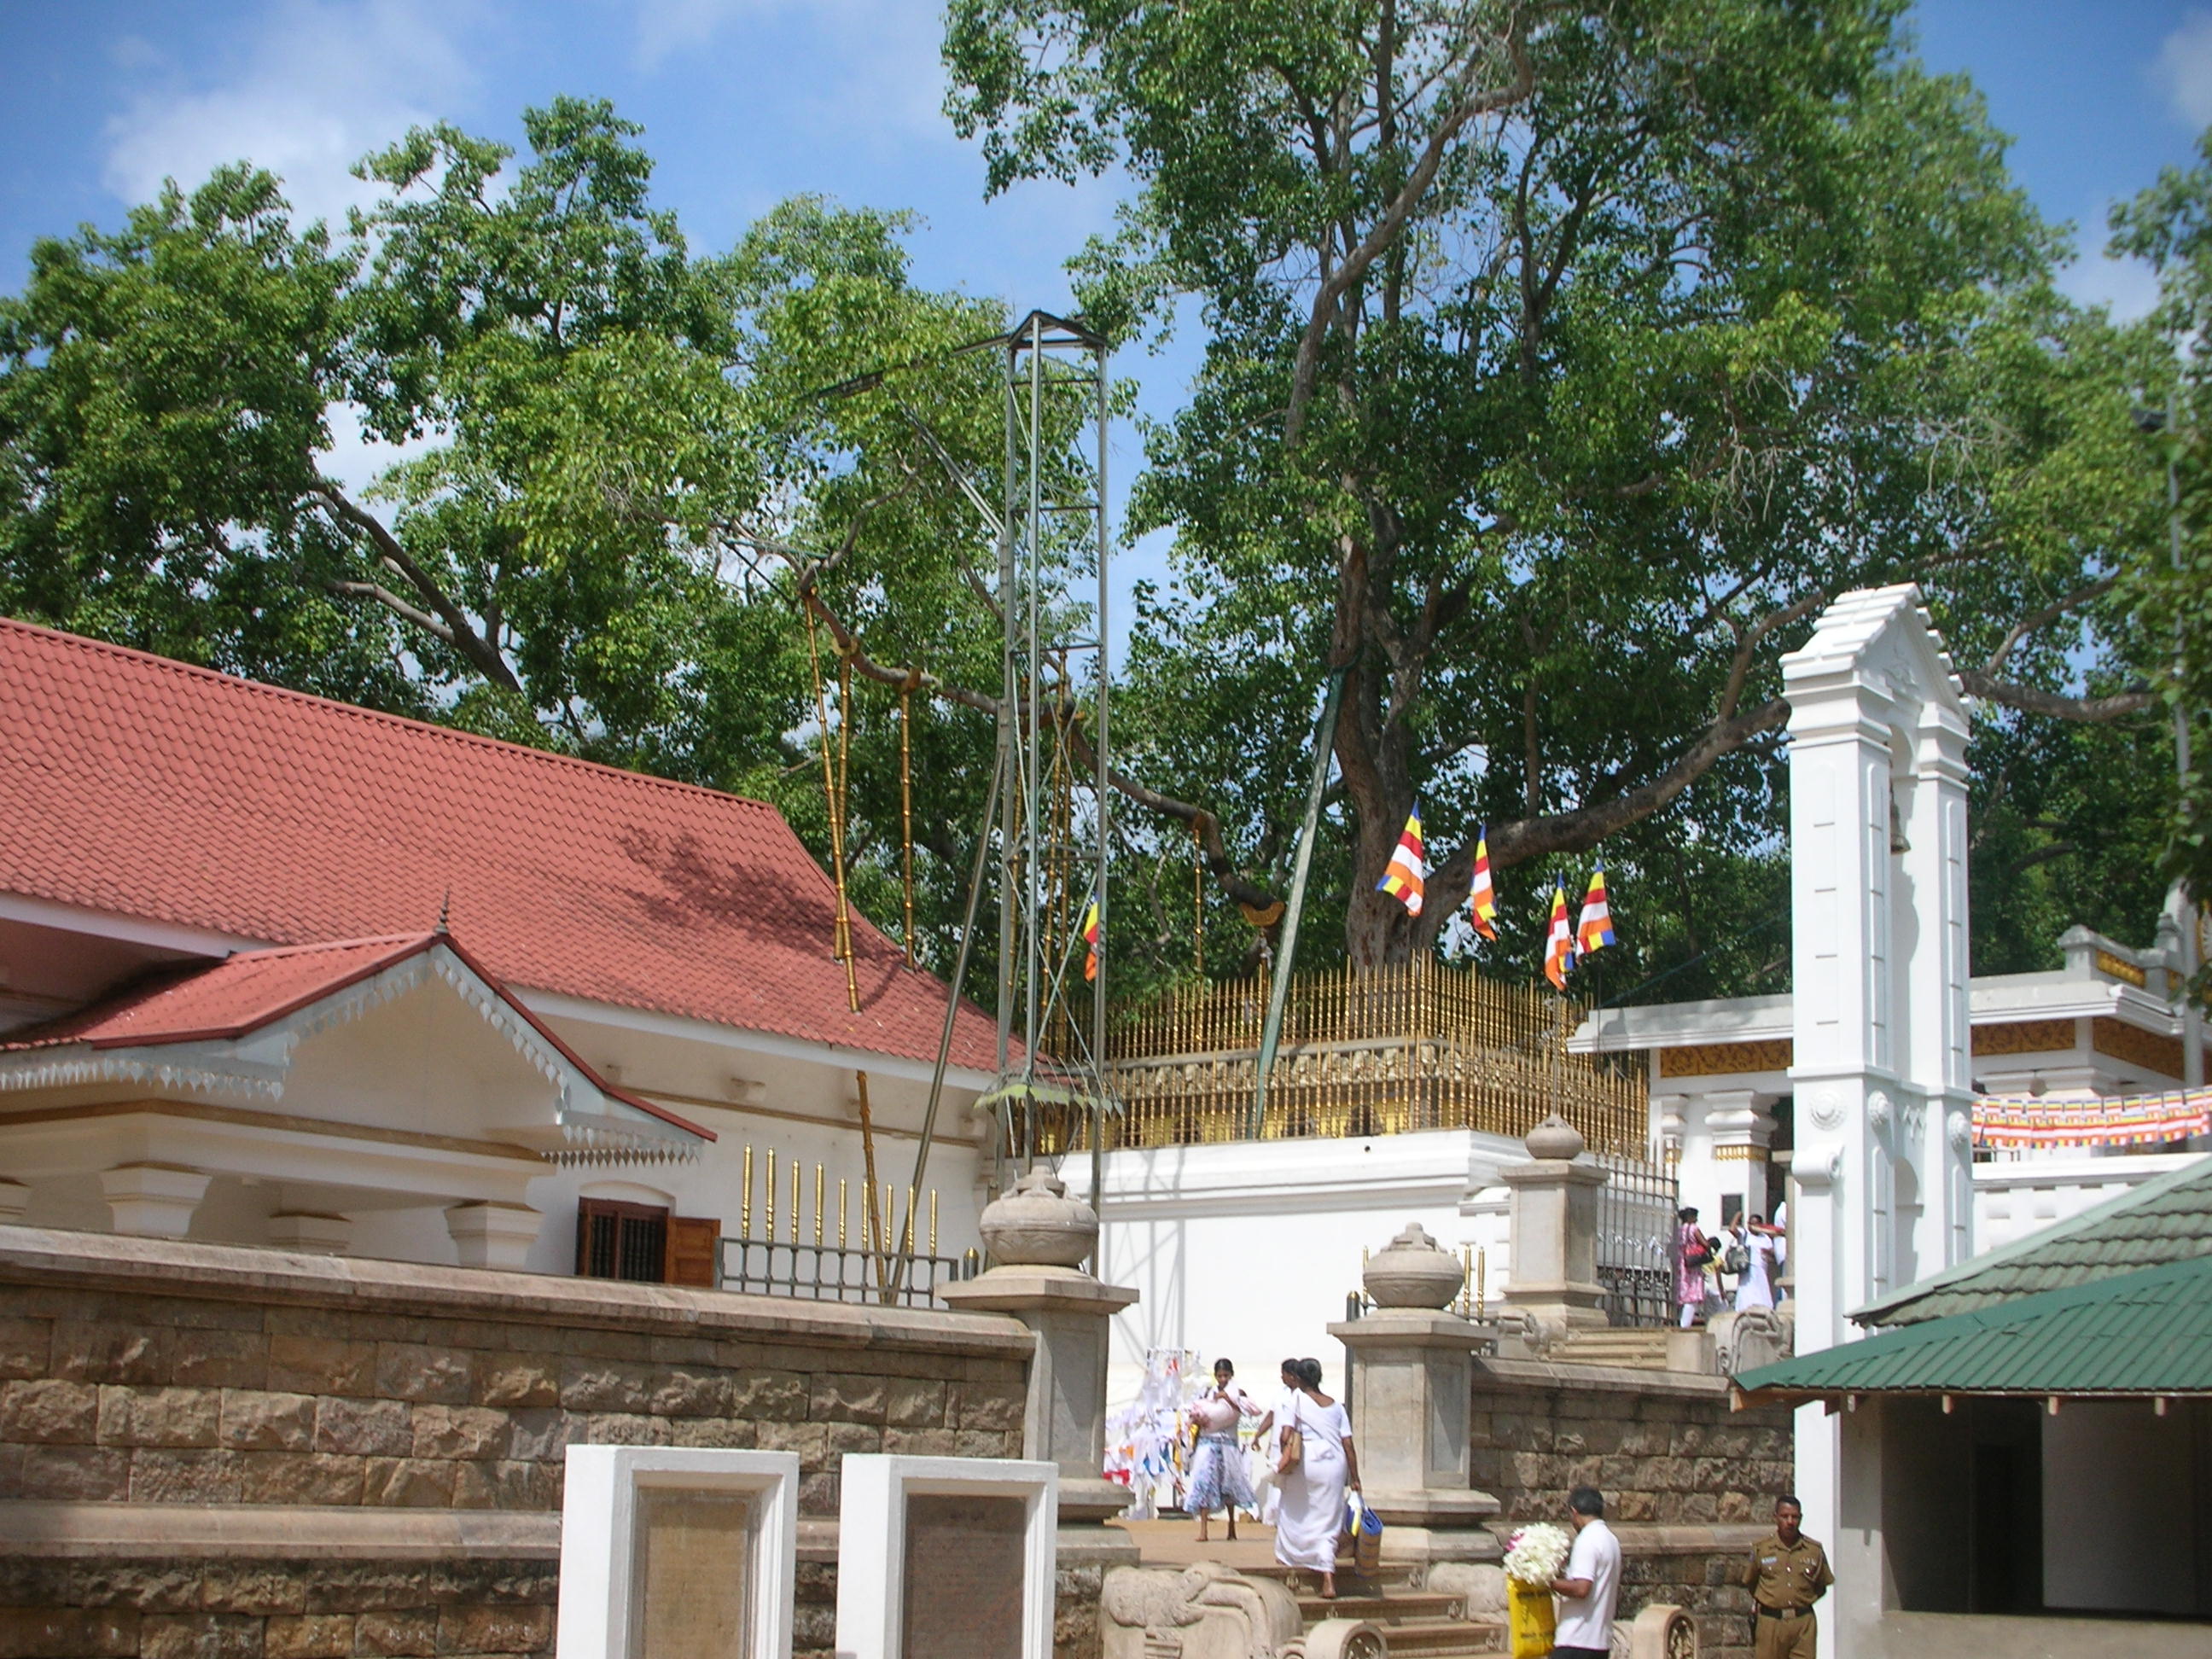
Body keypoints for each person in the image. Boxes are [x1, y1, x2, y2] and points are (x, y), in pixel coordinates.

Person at [1272, 1356, 1359, 1599]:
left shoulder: (1295, 1399)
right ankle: (1328, 1579)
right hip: (1335, 1466)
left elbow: (1285, 1434)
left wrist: (1284, 1458)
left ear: (1298, 1379)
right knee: (1328, 1523)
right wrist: (1355, 1478)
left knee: (1292, 1510)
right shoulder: (1337, 1406)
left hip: (1308, 1464)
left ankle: (1287, 1560)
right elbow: (1348, 1445)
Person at [1741, 1494, 1832, 1659]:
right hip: (1771, 1622)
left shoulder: (1813, 1550)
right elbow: (1751, 1582)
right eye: (1785, 1516)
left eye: (1795, 1517)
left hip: (1803, 1623)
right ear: (1775, 1518)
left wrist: (1802, 1599)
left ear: (1801, 1518)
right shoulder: (1762, 1549)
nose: (1790, 1522)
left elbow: (1822, 1585)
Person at [1184, 1356, 1261, 1544]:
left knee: (1230, 1485)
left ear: (1231, 1375)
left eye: (1226, 1375)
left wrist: (1229, 1399)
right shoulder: (1208, 1393)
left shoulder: (1237, 1393)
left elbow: (1248, 1410)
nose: (1223, 1380)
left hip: (1228, 1443)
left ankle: (1231, 1527)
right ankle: (1203, 1530)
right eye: (1219, 1376)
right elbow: (1197, 1412)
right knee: (1204, 1483)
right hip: (1208, 1443)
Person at [1548, 1486, 1623, 1657]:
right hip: (1599, 1642)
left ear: (1574, 1512)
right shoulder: (1611, 1540)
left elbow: (1582, 1588)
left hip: (1577, 1640)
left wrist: (1547, 1582)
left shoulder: (1587, 1540)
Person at [1730, 1213, 1784, 1312]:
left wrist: (1768, 1253)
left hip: (1761, 1270)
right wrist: (1738, 1215)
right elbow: (1732, 1229)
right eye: (1751, 1224)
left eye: (1756, 1224)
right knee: (1747, 1294)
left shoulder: (1765, 1238)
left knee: (1762, 1294)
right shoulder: (1744, 1234)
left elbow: (1773, 1256)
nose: (1753, 1227)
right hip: (1748, 1270)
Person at [1674, 1206, 1714, 1327]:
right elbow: (1705, 1244)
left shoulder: (1679, 1230)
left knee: (1685, 1292)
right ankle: (1685, 1324)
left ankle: (1683, 1321)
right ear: (1691, 1217)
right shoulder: (1693, 1229)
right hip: (1693, 1263)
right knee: (1693, 1295)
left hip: (1682, 1262)